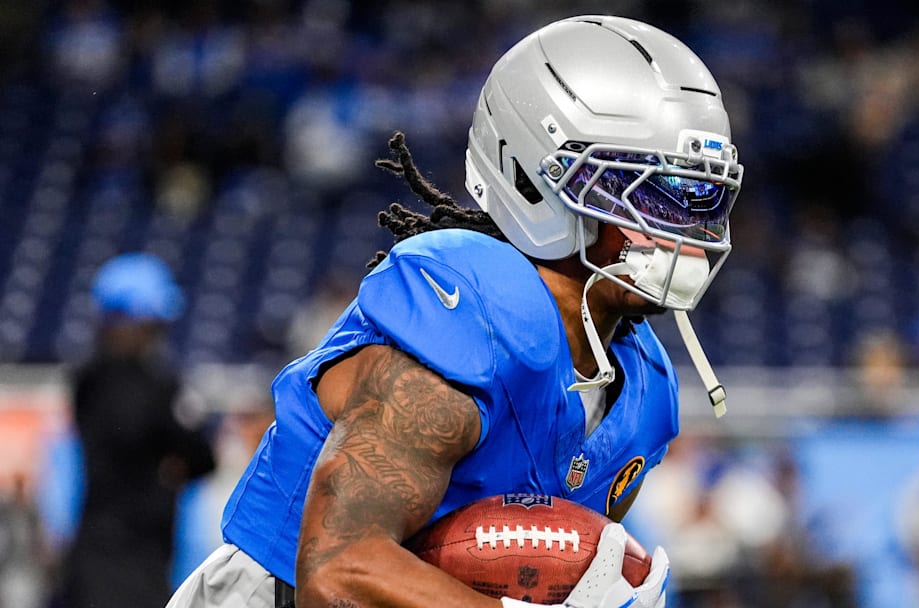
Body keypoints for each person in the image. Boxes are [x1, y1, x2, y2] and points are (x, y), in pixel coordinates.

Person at [168, 14, 743, 608]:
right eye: (650, 192)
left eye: (704, 197)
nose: (688, 232)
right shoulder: (472, 318)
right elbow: (339, 576)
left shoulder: (645, 389)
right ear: (534, 181)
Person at [60, 253, 215, 607]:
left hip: (131, 553)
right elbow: (195, 451)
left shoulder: (92, 379)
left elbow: (202, 457)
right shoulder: (140, 384)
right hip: (120, 557)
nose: (154, 336)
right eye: (150, 325)